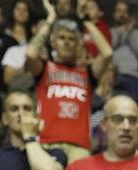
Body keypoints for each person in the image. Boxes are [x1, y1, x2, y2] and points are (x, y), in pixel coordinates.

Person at [12, 14, 107, 154]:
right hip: (46, 141)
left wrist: (85, 21)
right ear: (54, 42)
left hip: (80, 145)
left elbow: (107, 54)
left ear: (78, 44)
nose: (66, 42)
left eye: (71, 39)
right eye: (61, 38)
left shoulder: (87, 72)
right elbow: (31, 54)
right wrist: (50, 20)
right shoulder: (44, 68)